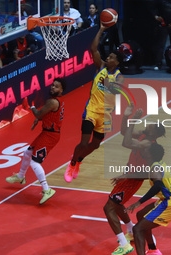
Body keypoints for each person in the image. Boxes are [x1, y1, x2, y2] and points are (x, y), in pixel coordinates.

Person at [64, 23, 124, 183]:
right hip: (91, 110)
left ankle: (79, 159)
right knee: (83, 142)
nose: (108, 58)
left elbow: (116, 92)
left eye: (112, 57)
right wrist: (102, 29)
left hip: (104, 115)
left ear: (116, 63)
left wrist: (107, 85)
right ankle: (72, 163)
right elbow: (94, 49)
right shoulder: (101, 66)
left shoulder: (119, 77)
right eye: (109, 56)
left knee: (95, 145)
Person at [105, 106, 165, 255]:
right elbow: (124, 133)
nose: (146, 125)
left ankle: (124, 245)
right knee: (117, 205)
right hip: (129, 174)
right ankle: (131, 230)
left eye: (149, 126)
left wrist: (134, 120)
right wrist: (126, 117)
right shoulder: (142, 136)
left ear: (155, 133)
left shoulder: (148, 144)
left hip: (132, 178)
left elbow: (125, 143)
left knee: (109, 208)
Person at [5, 78, 66, 204]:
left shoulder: (52, 102)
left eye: (56, 87)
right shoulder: (58, 101)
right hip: (48, 132)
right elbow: (48, 115)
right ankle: (21, 177)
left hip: (50, 136)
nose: (52, 88)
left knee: (34, 162)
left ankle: (46, 189)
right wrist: (40, 119)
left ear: (61, 90)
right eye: (52, 85)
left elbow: (38, 114)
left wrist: (32, 107)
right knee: (27, 153)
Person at [124, 144, 171, 254]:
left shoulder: (155, 168)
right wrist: (125, 176)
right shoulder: (158, 164)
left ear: (150, 154)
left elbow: (157, 185)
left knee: (137, 229)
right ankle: (153, 250)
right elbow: (146, 174)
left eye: (146, 150)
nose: (143, 150)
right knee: (141, 215)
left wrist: (139, 202)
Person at [151, 0, 171, 70]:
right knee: (161, 45)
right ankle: (158, 63)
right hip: (163, 25)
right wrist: (156, 16)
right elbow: (153, 8)